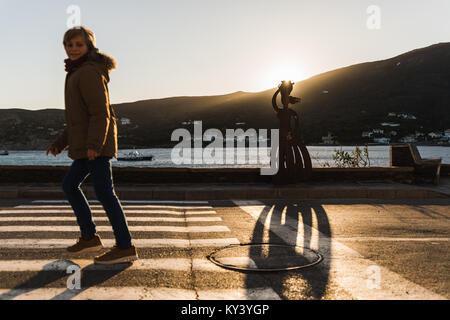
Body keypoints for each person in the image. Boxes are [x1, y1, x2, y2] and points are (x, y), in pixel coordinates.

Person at [46, 26, 138, 264]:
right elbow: (77, 119)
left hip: (94, 145)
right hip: (86, 144)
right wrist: (60, 143)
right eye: (69, 45)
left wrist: (95, 144)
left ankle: (125, 246)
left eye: (79, 44)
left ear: (89, 46)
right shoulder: (76, 72)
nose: (73, 49)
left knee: (104, 193)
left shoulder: (88, 72)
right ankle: (89, 237)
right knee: (70, 185)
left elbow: (100, 113)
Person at [271, 80, 312, 183]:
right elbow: (273, 102)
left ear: (288, 100)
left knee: (292, 154)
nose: (284, 101)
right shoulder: (280, 111)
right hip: (281, 135)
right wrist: (278, 90)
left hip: (289, 134)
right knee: (280, 154)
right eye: (283, 99)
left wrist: (292, 133)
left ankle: (293, 174)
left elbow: (296, 124)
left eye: (286, 99)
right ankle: (280, 175)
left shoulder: (292, 112)